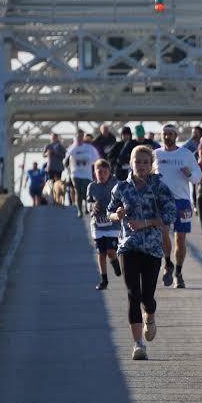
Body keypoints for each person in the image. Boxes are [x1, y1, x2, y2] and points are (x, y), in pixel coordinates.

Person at [107, 145, 176, 361]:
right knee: (132, 294)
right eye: (138, 162)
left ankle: (150, 317)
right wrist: (116, 215)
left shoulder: (159, 188)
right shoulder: (121, 188)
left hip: (153, 249)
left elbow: (170, 214)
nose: (142, 166)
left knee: (147, 297)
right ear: (131, 162)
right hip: (128, 246)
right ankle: (138, 345)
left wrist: (146, 223)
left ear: (151, 164)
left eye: (146, 162)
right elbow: (110, 212)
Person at [154, 124, 202, 289]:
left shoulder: (186, 154)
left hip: (182, 202)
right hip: (162, 201)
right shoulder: (156, 155)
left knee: (180, 239)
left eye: (170, 134)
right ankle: (168, 264)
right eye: (164, 134)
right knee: (162, 233)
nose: (167, 137)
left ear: (176, 136)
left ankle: (178, 273)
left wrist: (189, 174)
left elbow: (197, 177)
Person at [86, 159, 122, 290]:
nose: (101, 174)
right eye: (99, 172)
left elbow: (122, 200)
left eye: (104, 172)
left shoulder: (116, 184)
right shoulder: (92, 187)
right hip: (97, 224)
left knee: (111, 251)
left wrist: (119, 209)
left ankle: (115, 262)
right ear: (95, 173)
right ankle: (104, 280)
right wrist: (92, 206)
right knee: (101, 253)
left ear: (109, 172)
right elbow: (87, 203)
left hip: (113, 224)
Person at [64, 129, 101, 218]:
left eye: (81, 136)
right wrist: (68, 170)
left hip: (86, 174)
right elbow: (65, 160)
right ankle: (79, 210)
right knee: (78, 191)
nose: (80, 138)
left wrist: (90, 163)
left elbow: (97, 159)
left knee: (85, 191)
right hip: (75, 173)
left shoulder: (89, 148)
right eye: (78, 136)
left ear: (83, 137)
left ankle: (86, 206)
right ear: (76, 137)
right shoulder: (72, 148)